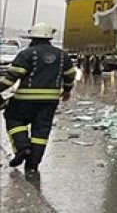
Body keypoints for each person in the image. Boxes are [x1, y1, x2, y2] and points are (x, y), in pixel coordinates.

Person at [2, 23, 75, 175]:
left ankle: (23, 147)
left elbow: (11, 78)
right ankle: (33, 164)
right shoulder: (63, 56)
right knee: (41, 130)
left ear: (33, 37)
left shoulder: (27, 54)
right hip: (50, 102)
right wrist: (67, 90)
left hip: (24, 100)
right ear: (49, 37)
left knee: (13, 118)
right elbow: (70, 75)